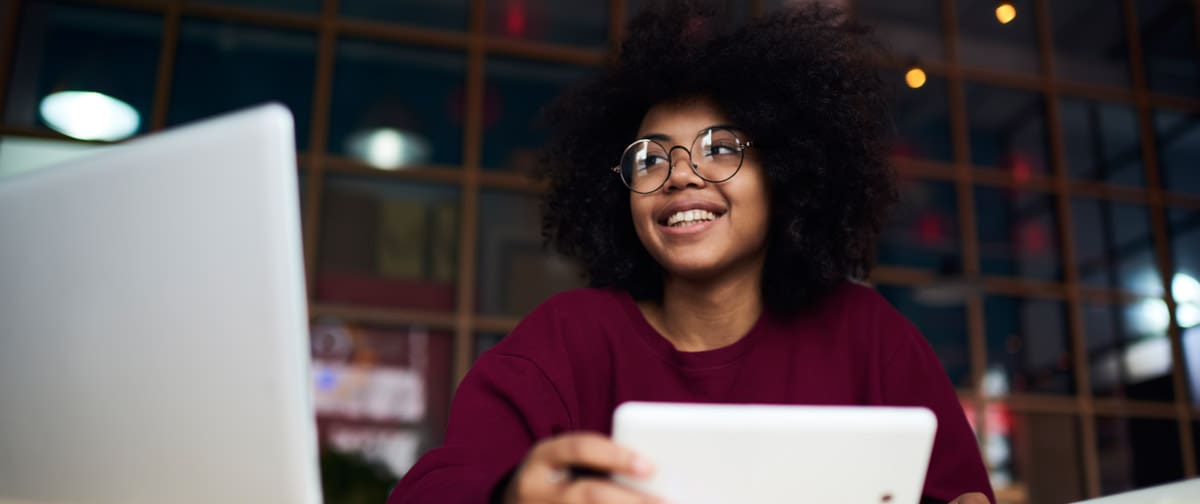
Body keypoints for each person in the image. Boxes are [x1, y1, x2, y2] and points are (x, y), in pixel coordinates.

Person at [389, 1, 994, 502]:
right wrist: (512, 497)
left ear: (783, 172)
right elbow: (431, 491)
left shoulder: (869, 336)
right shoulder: (566, 340)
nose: (680, 176)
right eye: (650, 158)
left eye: (720, 148)